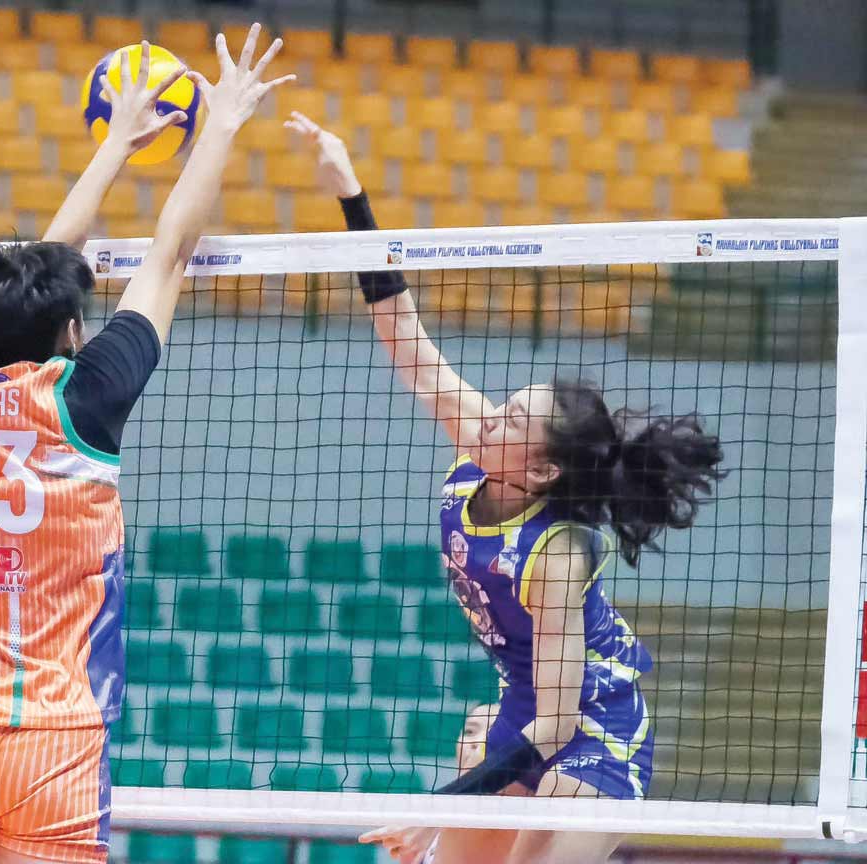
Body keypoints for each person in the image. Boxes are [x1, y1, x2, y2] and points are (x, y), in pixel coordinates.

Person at [0, 29, 292, 864]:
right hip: (53, 739)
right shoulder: (88, 396)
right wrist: (217, 122)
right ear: (74, 331)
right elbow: (170, 255)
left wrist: (112, 142)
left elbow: (47, 265)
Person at [286, 112, 724, 864]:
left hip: (590, 731)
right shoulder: (484, 450)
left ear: (543, 470)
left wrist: (438, 809)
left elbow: (557, 726)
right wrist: (351, 197)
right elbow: (406, 338)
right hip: (522, 711)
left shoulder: (557, 554)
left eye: (514, 417)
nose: (493, 417)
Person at [362, 703, 500, 864]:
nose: (476, 742)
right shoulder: (420, 831)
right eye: (469, 731)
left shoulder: (527, 821)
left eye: (495, 732)